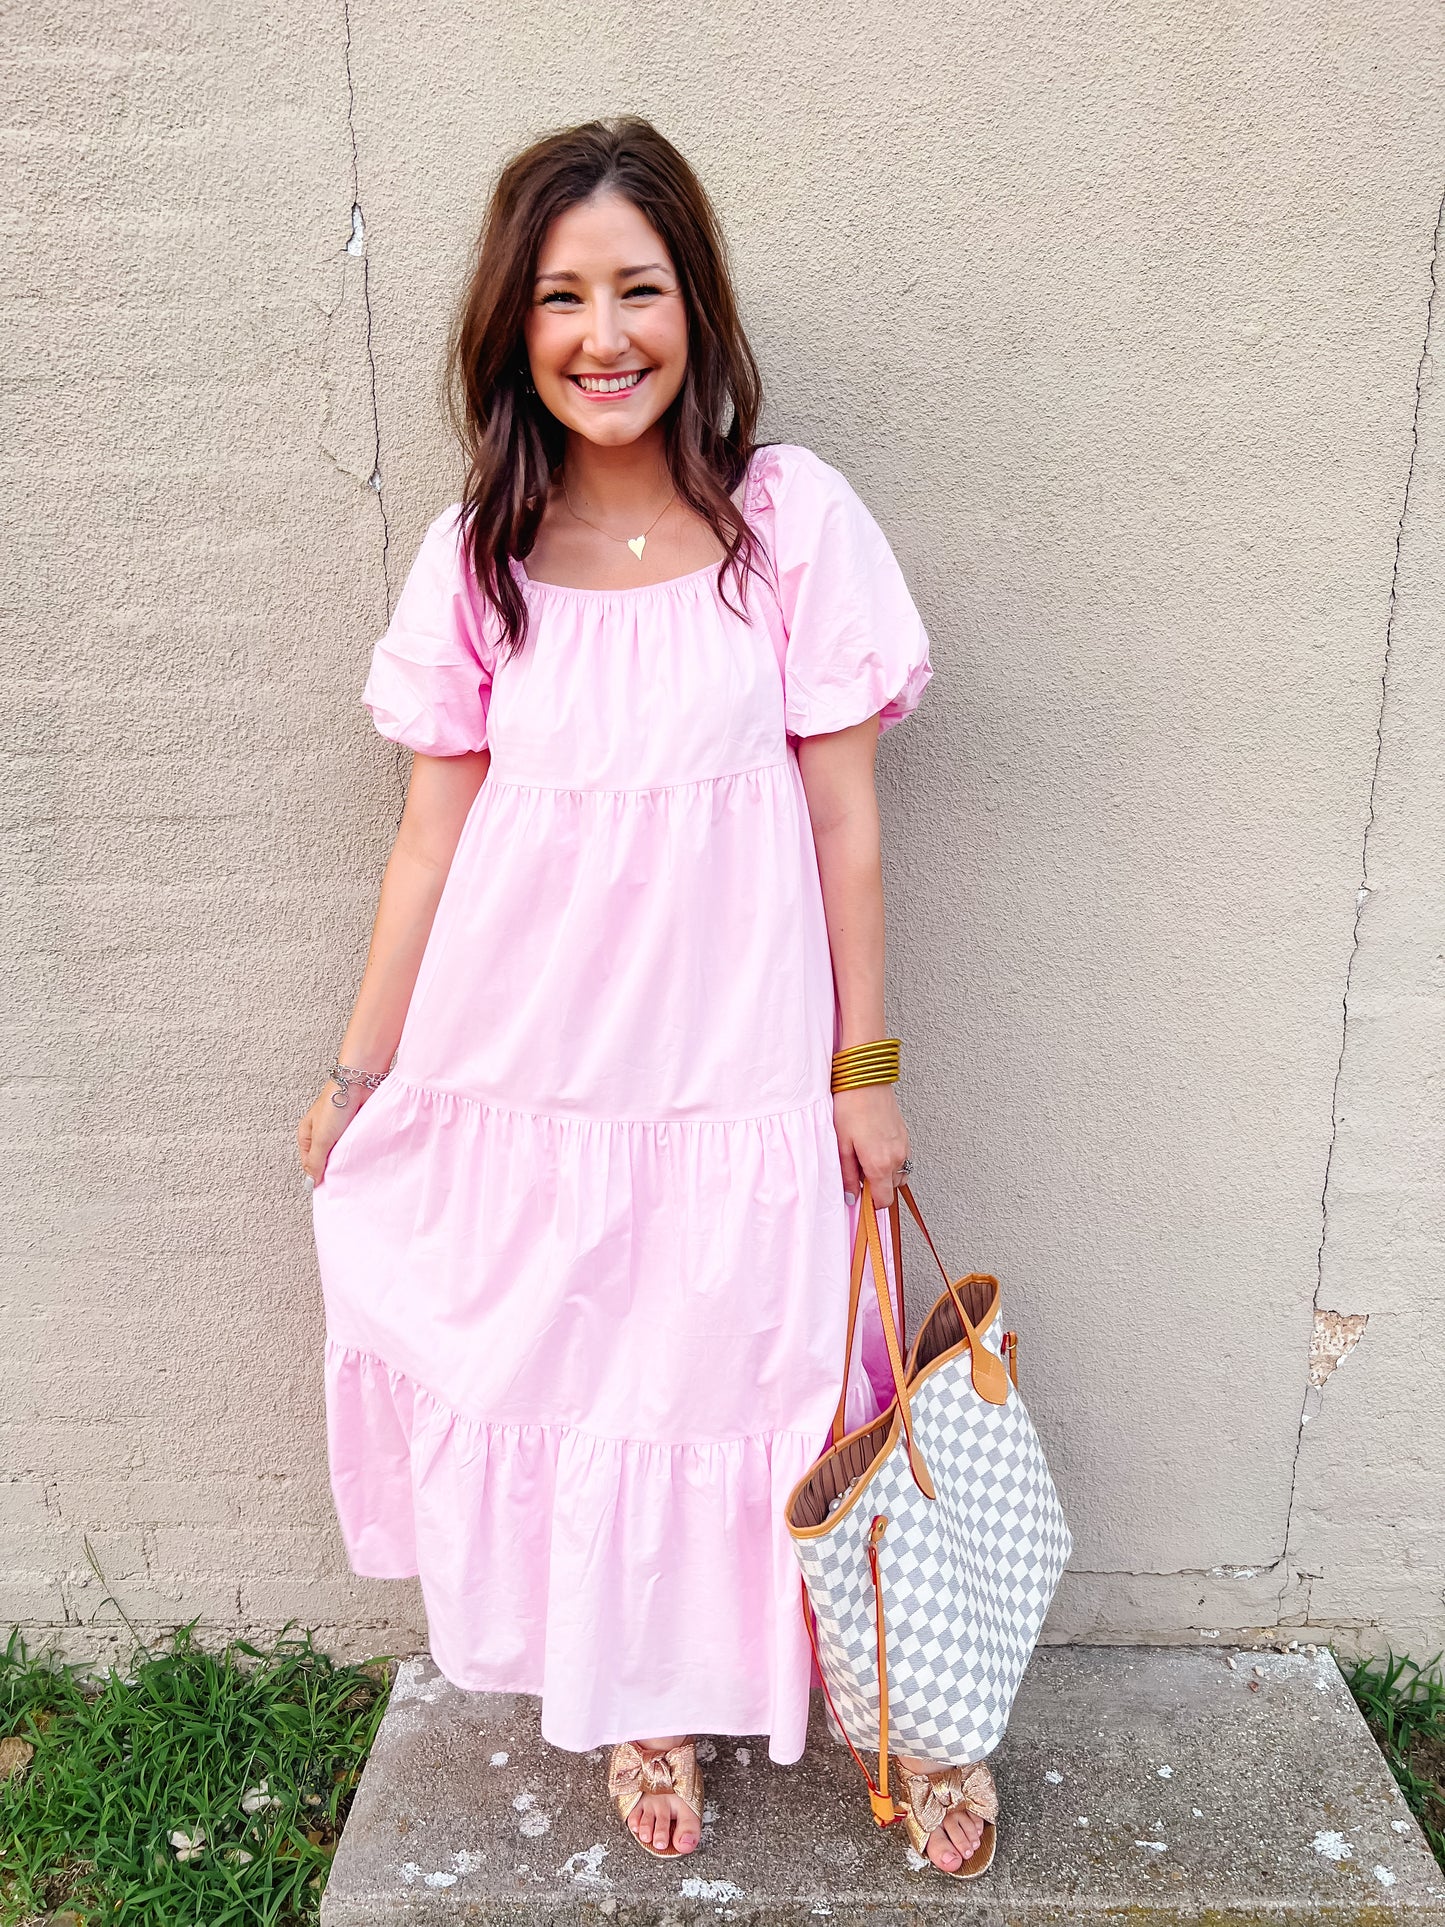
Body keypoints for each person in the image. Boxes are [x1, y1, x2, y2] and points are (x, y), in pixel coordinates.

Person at [297, 115, 990, 1876]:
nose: (603, 334)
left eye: (638, 288)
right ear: (512, 328)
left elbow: (844, 823)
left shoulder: (787, 526)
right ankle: (643, 1697)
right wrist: (361, 1067)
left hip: (737, 1070)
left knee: (782, 1381)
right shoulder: (481, 552)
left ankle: (901, 1699)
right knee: (591, 1373)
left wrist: (866, 1069)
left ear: (695, 306)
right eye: (561, 296)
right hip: (532, 1075)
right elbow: (427, 849)